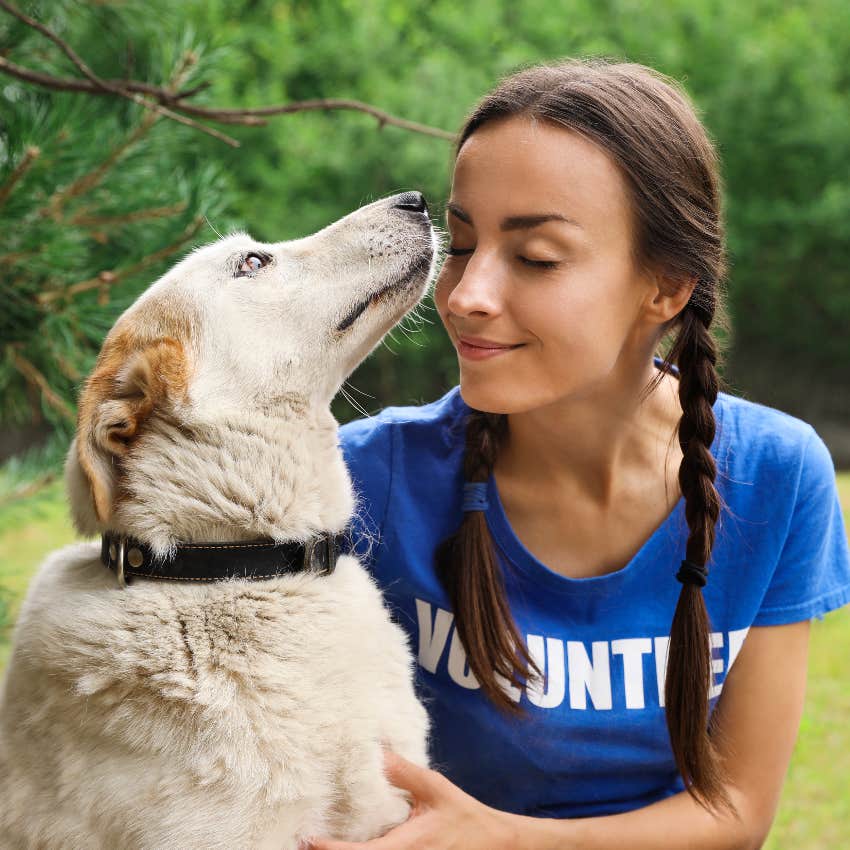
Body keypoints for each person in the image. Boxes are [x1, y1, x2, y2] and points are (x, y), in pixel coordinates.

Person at [307, 59, 850, 850]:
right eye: (461, 244)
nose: (465, 295)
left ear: (664, 287)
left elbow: (735, 808)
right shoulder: (363, 479)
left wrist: (505, 839)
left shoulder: (776, 476)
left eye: (536, 258)